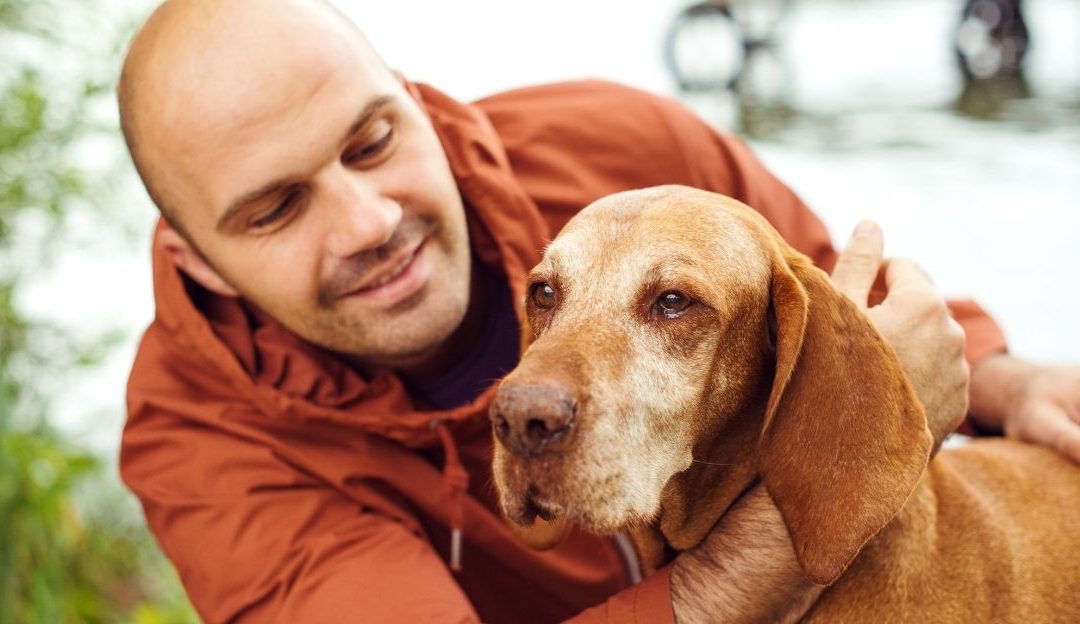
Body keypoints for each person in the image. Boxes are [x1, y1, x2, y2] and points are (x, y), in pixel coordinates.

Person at [116, 0, 1080, 621]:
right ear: (199, 261)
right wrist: (795, 530)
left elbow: (834, 300)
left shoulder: (623, 143)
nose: (370, 222)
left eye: (372, 142)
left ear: (412, 102)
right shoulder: (199, 450)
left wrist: (1003, 377)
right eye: (277, 209)